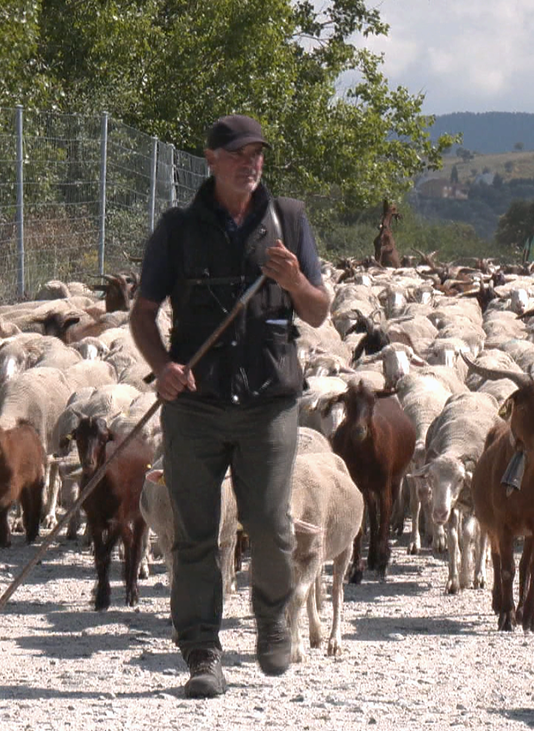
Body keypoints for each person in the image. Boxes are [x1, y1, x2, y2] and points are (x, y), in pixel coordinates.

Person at [129, 114, 331, 699]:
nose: (252, 163)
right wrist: (162, 365)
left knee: (269, 524)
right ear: (212, 158)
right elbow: (143, 313)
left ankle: (273, 620)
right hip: (194, 404)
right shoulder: (177, 229)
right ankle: (201, 652)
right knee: (194, 533)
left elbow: (317, 312)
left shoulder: (288, 220)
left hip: (269, 401)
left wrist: (294, 281)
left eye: (258, 154)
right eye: (240, 154)